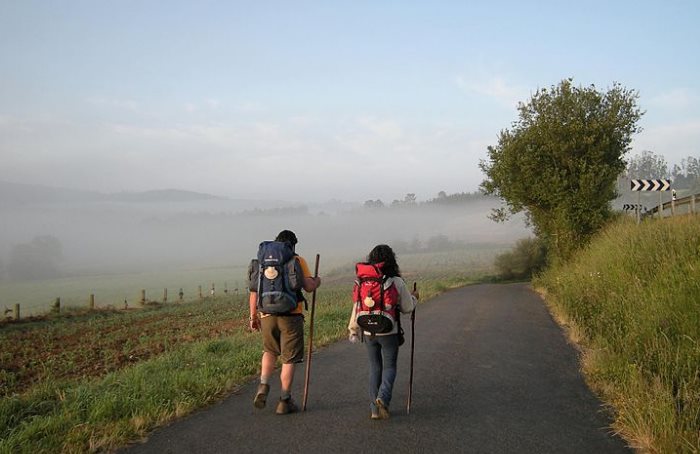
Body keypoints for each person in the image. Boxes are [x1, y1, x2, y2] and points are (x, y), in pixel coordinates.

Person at [248, 229, 321, 415]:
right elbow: (309, 287)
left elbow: (254, 291)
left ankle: (263, 384)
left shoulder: (262, 262)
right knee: (289, 358)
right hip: (291, 316)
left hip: (266, 315)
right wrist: (317, 281)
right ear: (293, 244)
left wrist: (252, 317)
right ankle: (284, 400)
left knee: (269, 351)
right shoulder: (297, 260)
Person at [348, 244, 418, 420]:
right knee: (390, 367)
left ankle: (374, 410)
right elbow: (407, 307)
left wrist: (353, 329)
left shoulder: (362, 281)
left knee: (374, 367)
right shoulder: (396, 281)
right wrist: (415, 297)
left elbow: (356, 308)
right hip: (389, 331)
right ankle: (383, 398)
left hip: (369, 332)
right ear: (391, 260)